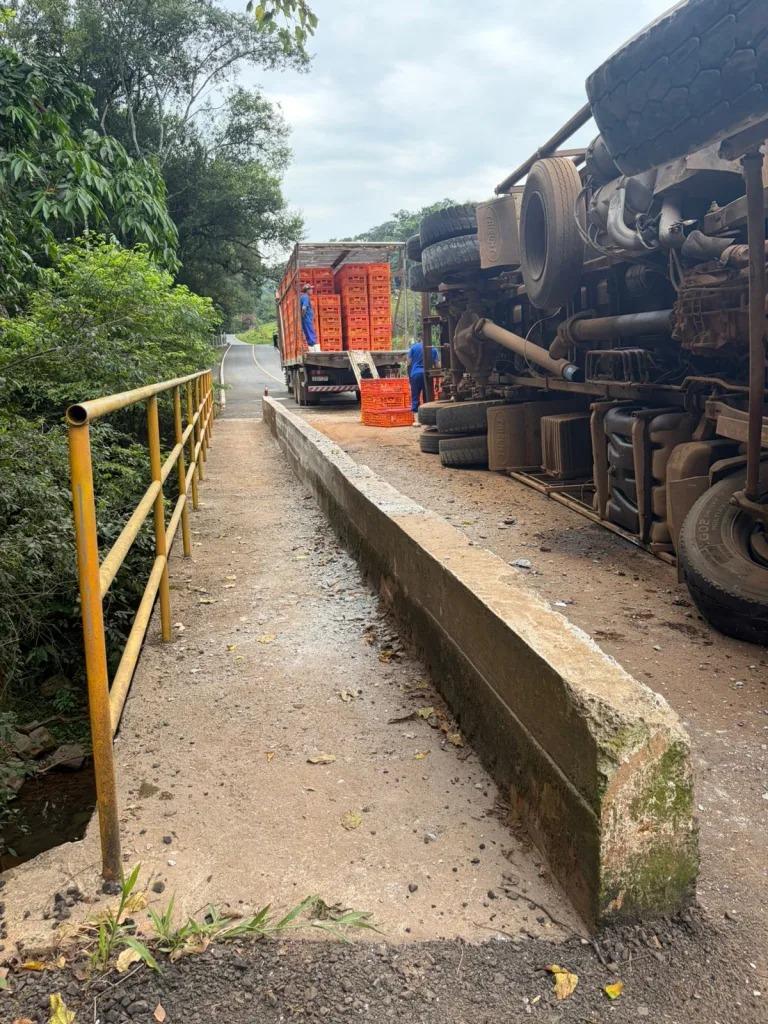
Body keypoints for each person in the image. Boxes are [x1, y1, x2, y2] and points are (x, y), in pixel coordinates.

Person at [407, 337, 439, 413]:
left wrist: (410, 378)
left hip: (415, 375)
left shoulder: (413, 348)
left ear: (420, 338)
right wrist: (437, 382)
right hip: (428, 376)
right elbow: (437, 367)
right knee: (428, 399)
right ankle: (427, 416)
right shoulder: (433, 349)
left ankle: (416, 418)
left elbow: (408, 364)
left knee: (415, 398)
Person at [300, 283, 320, 350]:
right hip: (306, 319)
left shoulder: (303, 297)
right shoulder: (305, 297)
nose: (312, 290)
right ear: (307, 290)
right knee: (310, 332)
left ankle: (311, 347)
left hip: (306, 318)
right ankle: (314, 347)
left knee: (308, 332)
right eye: (311, 289)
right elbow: (304, 308)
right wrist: (303, 316)